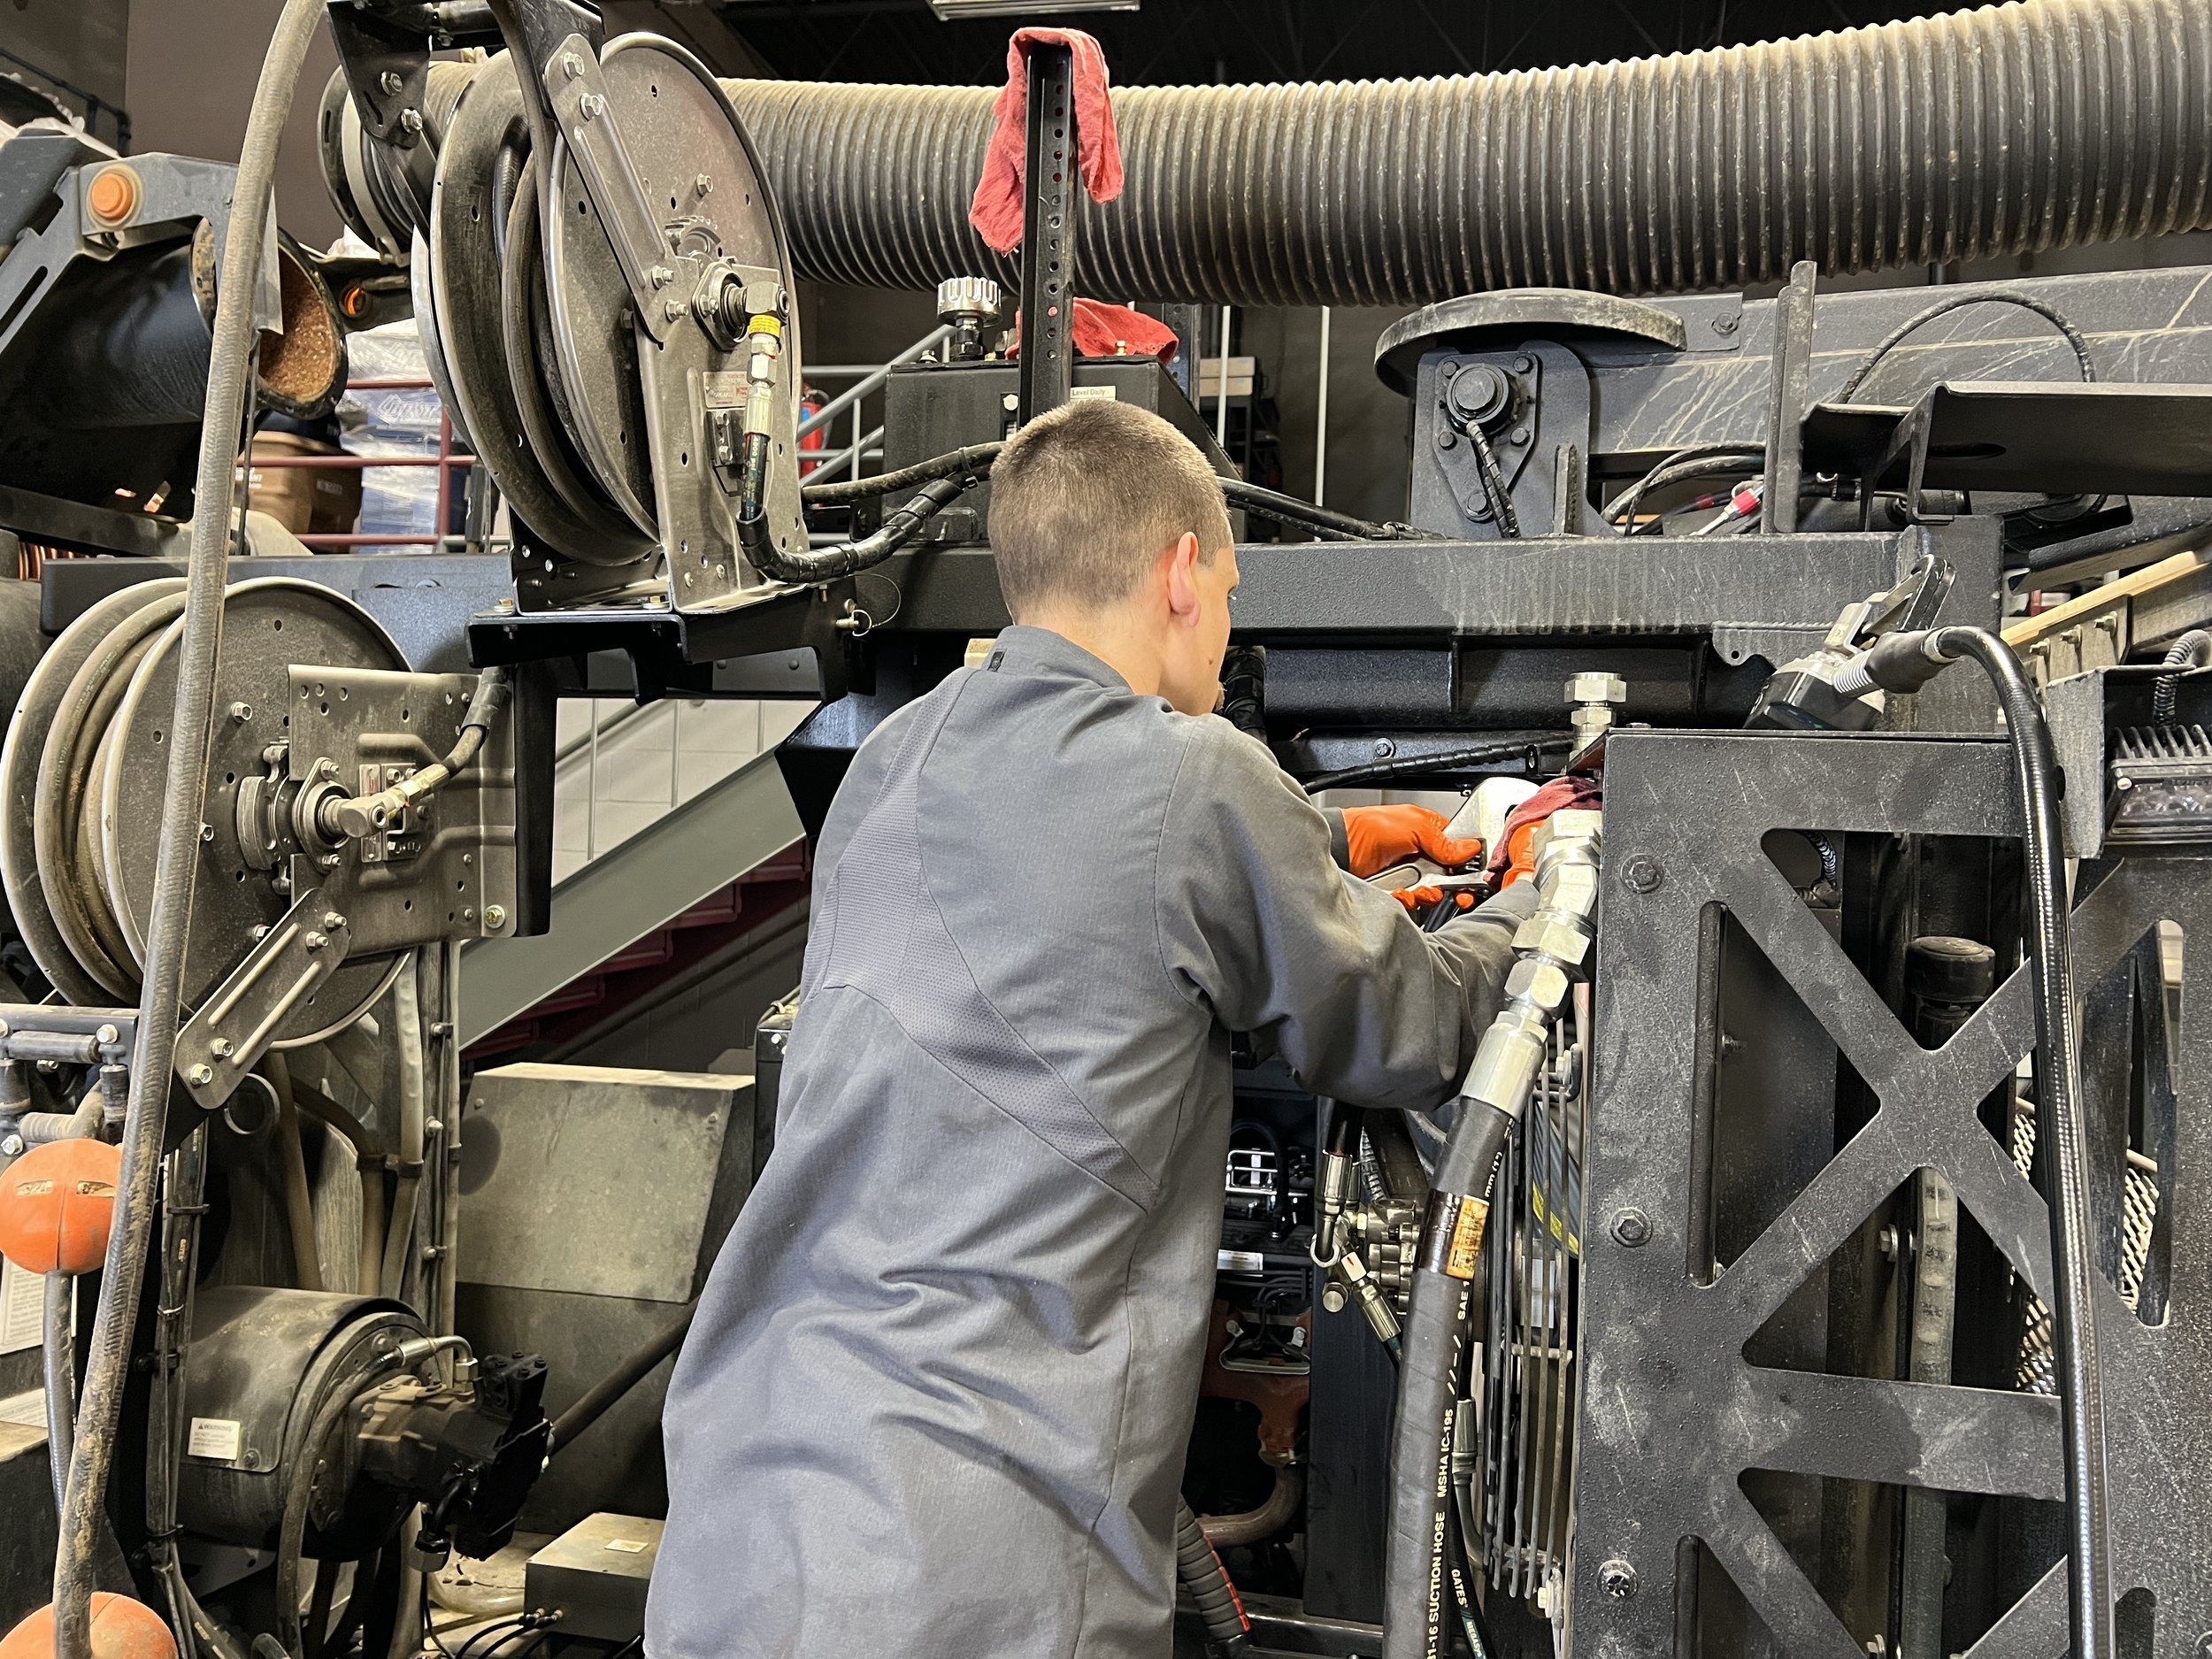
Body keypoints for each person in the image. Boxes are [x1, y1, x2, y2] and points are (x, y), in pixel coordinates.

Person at [650, 398, 1544, 1659]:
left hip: (753, 1514)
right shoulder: (1200, 775)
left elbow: (1070, 854)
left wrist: (1340, 836)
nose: (1225, 630)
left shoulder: (891, 758)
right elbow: (1412, 1028)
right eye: (1227, 593)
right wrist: (1533, 899)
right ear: (1181, 572)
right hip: (979, 1558)